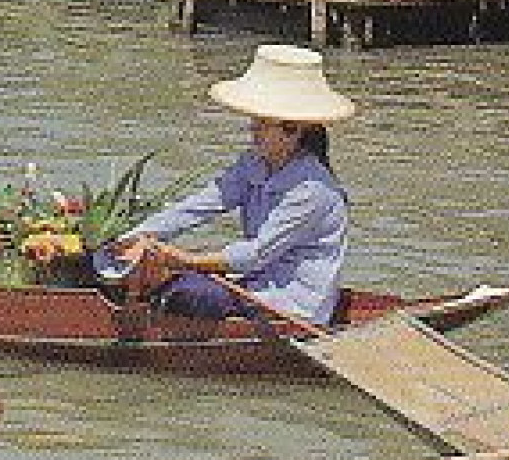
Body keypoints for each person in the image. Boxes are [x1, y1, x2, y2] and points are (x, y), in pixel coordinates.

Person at [104, 44, 356, 324]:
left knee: (187, 295)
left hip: (290, 304)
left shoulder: (312, 189)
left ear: (293, 131)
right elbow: (200, 206)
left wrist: (181, 260)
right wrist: (136, 237)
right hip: (253, 283)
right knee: (159, 282)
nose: (253, 129)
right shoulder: (254, 162)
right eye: (255, 120)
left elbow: (256, 253)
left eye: (263, 123)